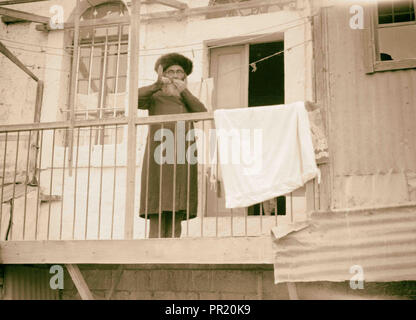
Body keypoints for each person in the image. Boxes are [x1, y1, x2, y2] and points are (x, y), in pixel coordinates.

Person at [137, 53, 207, 238]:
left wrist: (184, 91)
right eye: (170, 72)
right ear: (163, 74)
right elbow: (134, 99)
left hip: (182, 153)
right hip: (158, 152)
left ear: (184, 76)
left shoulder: (187, 98)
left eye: (179, 72)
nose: (175, 76)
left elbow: (202, 113)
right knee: (157, 200)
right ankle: (153, 249)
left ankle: (173, 247)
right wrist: (157, 85)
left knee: (178, 201)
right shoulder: (155, 95)